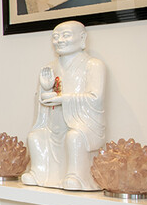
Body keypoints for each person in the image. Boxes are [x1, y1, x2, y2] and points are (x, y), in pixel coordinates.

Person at [20, 20, 106, 191]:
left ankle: (76, 176)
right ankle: (39, 172)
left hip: (80, 123)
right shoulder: (50, 67)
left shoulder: (93, 65)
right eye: (55, 37)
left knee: (74, 137)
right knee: (35, 136)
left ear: (82, 38)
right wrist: (45, 89)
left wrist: (63, 99)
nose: (59, 40)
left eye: (65, 35)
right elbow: (43, 99)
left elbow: (95, 98)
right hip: (54, 123)